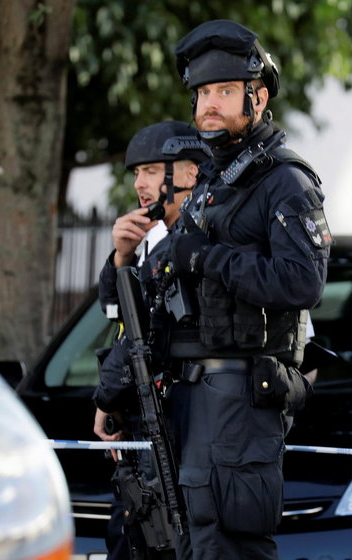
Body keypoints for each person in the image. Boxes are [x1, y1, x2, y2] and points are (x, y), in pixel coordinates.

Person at [145, 19, 329, 560]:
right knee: (192, 540)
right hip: (187, 394)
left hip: (239, 396)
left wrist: (208, 257)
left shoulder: (286, 181)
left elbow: (304, 281)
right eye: (203, 93)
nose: (209, 104)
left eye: (224, 91)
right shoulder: (210, 183)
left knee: (229, 544)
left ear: (258, 97)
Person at [92, 120, 210, 560]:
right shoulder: (152, 237)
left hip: (175, 423)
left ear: (188, 174)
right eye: (135, 173)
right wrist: (120, 258)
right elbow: (116, 315)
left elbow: (149, 333)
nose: (139, 184)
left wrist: (106, 398)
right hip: (142, 415)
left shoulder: (192, 240)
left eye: (149, 170)